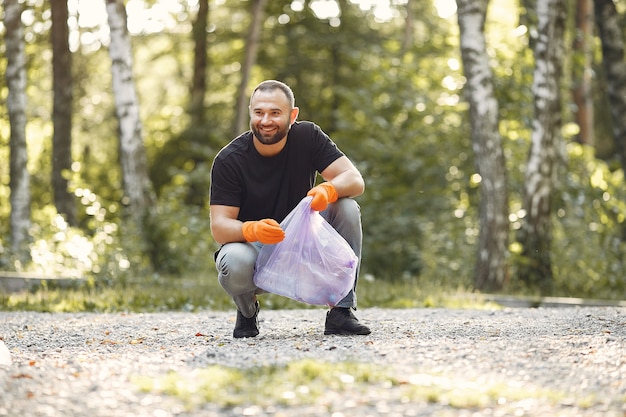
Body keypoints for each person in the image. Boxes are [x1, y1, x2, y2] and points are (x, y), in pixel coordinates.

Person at [209, 80, 370, 338]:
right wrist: (252, 229)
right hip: (256, 249)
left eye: (275, 113)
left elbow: (354, 180)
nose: (265, 120)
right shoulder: (229, 159)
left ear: (292, 115)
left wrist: (329, 190)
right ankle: (247, 311)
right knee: (233, 262)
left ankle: (341, 311)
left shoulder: (308, 136)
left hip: (305, 240)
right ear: (250, 112)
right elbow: (220, 227)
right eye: (259, 112)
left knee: (346, 206)